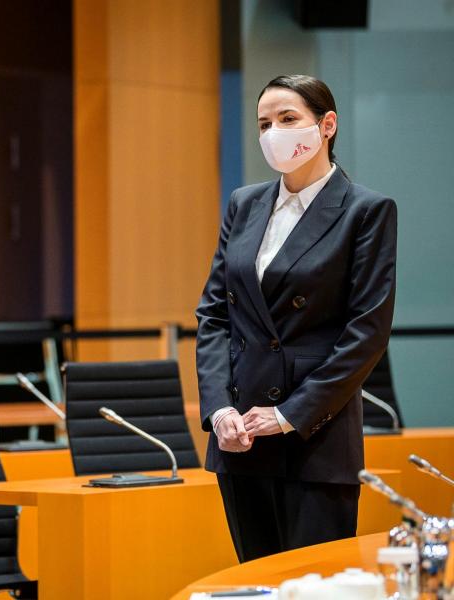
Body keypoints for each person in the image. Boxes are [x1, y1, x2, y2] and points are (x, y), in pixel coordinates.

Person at [195, 74, 397, 563]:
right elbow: (214, 315)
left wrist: (288, 415)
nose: (273, 133)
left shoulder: (365, 210)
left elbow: (366, 332)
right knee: (254, 583)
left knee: (314, 586)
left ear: (327, 125)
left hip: (313, 440)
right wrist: (219, 409)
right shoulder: (244, 203)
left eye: (288, 119)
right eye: (264, 123)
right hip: (241, 438)